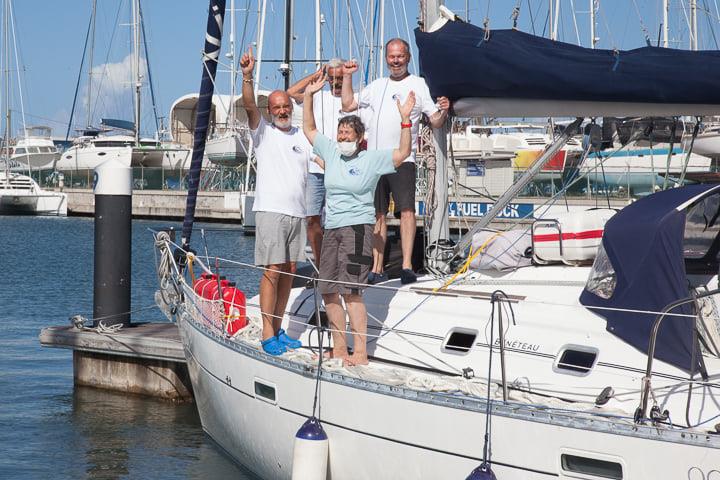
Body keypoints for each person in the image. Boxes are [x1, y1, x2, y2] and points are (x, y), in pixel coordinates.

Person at [302, 71, 416, 366]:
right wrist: (309, 95)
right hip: (332, 229)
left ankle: (360, 351)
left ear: (359, 138)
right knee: (328, 290)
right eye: (340, 134)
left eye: (348, 135)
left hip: (357, 229)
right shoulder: (330, 151)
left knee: (351, 292)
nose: (342, 139)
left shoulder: (370, 159)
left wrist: (405, 119)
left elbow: (403, 152)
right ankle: (339, 348)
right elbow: (309, 128)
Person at [341, 38, 450, 285]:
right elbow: (347, 104)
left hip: (404, 158)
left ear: (408, 57)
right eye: (392, 56)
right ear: (387, 58)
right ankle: (377, 268)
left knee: (407, 212)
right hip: (376, 161)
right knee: (378, 215)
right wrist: (347, 76)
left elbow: (435, 121)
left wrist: (444, 109)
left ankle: (407, 266)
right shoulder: (377, 86)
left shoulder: (419, 84)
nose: (396, 60)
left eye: (400, 56)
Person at [240, 46, 310, 356]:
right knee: (272, 270)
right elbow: (248, 106)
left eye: (285, 107)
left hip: (297, 213)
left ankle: (279, 328)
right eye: (276, 107)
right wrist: (247, 76)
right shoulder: (263, 133)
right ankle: (268, 333)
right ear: (270, 111)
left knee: (289, 271)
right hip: (271, 211)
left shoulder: (301, 136)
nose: (282, 111)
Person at [287, 59, 356, 266]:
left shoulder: (353, 100)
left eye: (339, 78)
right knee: (312, 218)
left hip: (342, 168)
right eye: (332, 79)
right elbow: (291, 92)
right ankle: (321, 264)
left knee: (343, 219)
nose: (335, 83)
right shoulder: (317, 96)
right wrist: (316, 76)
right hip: (316, 167)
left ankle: (343, 261)